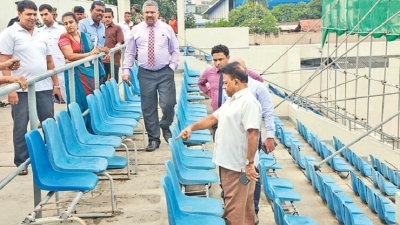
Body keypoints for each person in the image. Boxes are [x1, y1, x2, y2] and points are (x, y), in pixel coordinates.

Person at [177, 61, 261, 225]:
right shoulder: (232, 100)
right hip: (228, 163)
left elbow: (253, 134)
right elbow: (213, 118)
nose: (223, 86)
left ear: (236, 82)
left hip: (239, 166)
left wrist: (249, 163)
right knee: (241, 208)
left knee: (235, 211)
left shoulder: (248, 102)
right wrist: (191, 127)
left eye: (226, 82)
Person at [0, 0, 61, 176]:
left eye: (35, 14)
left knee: (48, 121)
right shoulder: (10, 34)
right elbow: (4, 62)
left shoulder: (42, 34)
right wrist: (10, 89)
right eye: (29, 14)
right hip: (20, 88)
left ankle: (52, 155)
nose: (33, 18)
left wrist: (55, 84)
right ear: (19, 14)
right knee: (21, 125)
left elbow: (49, 61)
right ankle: (22, 161)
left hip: (43, 86)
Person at [222, 58, 276, 225]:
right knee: (238, 181)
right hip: (233, 140)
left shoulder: (258, 89)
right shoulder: (230, 91)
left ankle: (254, 211)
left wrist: (270, 136)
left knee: (252, 174)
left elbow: (268, 113)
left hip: (250, 137)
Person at [122, 0, 179, 151]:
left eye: (152, 12)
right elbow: (130, 53)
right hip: (145, 73)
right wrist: (126, 71)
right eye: (147, 12)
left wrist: (172, 66)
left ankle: (165, 125)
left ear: (158, 13)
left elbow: (175, 50)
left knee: (168, 103)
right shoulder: (136, 30)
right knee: (148, 107)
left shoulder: (167, 29)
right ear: (142, 14)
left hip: (165, 71)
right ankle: (154, 139)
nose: (149, 15)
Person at [58, 12, 104, 131]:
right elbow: (69, 55)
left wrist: (95, 51)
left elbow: (88, 51)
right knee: (77, 102)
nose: (68, 25)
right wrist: (89, 54)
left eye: (71, 22)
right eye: (65, 23)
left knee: (90, 100)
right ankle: (80, 131)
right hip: (74, 75)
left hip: (89, 73)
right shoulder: (64, 38)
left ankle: (93, 129)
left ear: (77, 22)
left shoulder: (84, 36)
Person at [39, 4, 67, 103]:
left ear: (52, 14)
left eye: (46, 14)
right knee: (48, 101)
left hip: (61, 69)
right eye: (41, 15)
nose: (44, 17)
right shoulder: (39, 32)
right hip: (46, 71)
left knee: (66, 98)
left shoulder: (62, 29)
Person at [103, 8, 124, 83]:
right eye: (105, 17)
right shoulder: (100, 28)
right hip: (102, 59)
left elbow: (119, 42)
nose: (107, 19)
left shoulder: (117, 28)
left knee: (114, 80)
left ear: (113, 17)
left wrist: (111, 53)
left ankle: (114, 94)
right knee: (103, 81)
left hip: (114, 58)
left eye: (109, 17)